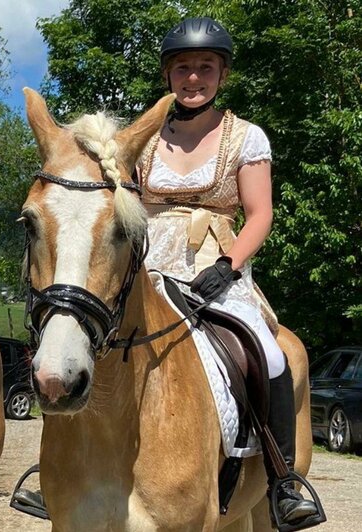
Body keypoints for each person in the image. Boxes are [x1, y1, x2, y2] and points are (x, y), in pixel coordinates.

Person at [136, 16, 320, 526]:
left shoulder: (247, 136)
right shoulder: (145, 137)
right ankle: (60, 470)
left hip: (215, 265)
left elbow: (260, 213)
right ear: (168, 76)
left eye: (205, 68)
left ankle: (284, 480)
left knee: (270, 354)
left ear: (222, 74)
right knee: (92, 342)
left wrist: (228, 265)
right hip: (149, 266)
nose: (193, 78)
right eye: (183, 68)